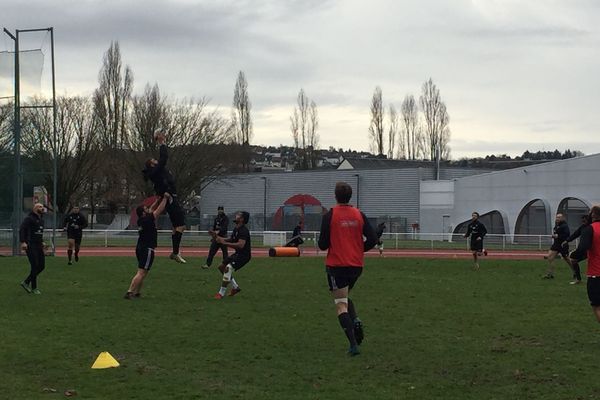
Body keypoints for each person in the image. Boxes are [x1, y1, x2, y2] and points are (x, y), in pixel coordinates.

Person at [318, 182, 378, 356]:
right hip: (356, 265)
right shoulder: (359, 214)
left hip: (337, 266)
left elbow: (322, 245)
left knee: (340, 305)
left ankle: (353, 345)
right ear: (350, 196)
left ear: (336, 196)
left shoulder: (330, 215)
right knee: (345, 297)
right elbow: (373, 238)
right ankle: (356, 319)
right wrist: (360, 249)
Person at [142, 128, 187, 264]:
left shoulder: (157, 172)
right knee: (180, 225)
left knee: (177, 225)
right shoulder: (155, 171)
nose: (156, 160)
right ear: (151, 164)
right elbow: (163, 159)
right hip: (169, 195)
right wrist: (161, 143)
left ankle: (175, 251)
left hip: (169, 195)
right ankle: (175, 252)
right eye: (153, 160)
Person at [124, 194, 169, 299]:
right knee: (141, 272)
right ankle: (130, 292)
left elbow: (152, 208)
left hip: (140, 247)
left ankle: (137, 293)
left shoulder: (141, 220)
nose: (148, 208)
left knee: (143, 271)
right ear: (144, 213)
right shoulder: (148, 219)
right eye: (145, 209)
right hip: (147, 248)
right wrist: (165, 199)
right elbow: (158, 210)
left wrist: (157, 200)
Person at [210, 211, 252, 299]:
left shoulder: (243, 230)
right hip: (238, 254)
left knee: (228, 268)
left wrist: (224, 243)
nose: (236, 216)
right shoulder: (236, 228)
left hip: (244, 256)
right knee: (221, 267)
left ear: (242, 219)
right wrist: (217, 237)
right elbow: (231, 239)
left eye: (238, 215)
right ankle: (235, 287)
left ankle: (221, 293)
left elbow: (241, 245)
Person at [569, 205, 600, 323]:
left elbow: (583, 247)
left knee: (596, 306)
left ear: (593, 215)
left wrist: (574, 256)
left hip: (596, 274)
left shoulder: (590, 229)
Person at [19, 203, 47, 295]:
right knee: (35, 265)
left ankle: (26, 282)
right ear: (34, 209)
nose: (42, 208)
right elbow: (22, 229)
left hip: (38, 245)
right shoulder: (29, 218)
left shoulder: (41, 220)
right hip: (30, 245)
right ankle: (34, 288)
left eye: (42, 207)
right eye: (40, 207)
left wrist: (42, 241)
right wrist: (23, 242)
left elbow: (39, 233)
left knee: (41, 266)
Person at [563, 214, 591, 284]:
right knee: (573, 259)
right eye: (582, 220)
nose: (583, 221)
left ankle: (580, 279)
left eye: (584, 220)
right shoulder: (582, 227)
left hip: (591, 249)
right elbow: (575, 234)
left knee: (574, 259)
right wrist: (567, 240)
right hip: (583, 249)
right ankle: (578, 279)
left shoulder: (592, 227)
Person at [543, 213, 573, 279]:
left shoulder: (565, 226)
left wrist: (558, 236)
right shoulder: (557, 226)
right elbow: (555, 233)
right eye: (557, 217)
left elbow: (567, 234)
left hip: (563, 244)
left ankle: (575, 272)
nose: (557, 219)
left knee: (567, 259)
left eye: (559, 217)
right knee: (550, 257)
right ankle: (550, 274)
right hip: (556, 244)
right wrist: (554, 235)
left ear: (563, 218)